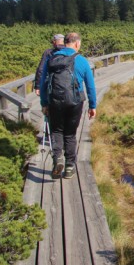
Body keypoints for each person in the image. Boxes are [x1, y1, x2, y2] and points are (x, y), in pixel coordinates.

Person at [40, 32, 97, 179]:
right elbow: (90, 86)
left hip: (55, 101)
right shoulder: (82, 61)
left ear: (65, 43)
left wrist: (44, 103)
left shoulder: (52, 58)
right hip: (75, 102)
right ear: (77, 44)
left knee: (57, 131)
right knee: (70, 134)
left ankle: (57, 158)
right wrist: (92, 105)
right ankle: (70, 167)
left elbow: (44, 82)